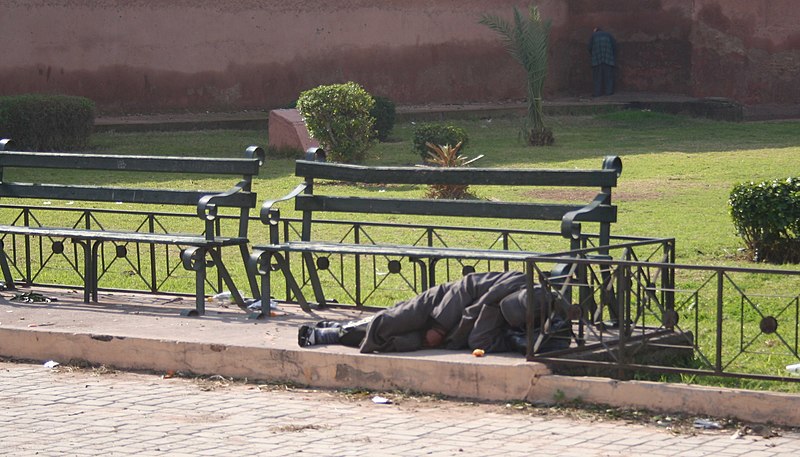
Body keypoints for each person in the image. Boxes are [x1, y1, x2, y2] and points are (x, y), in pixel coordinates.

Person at [297, 271, 571, 355]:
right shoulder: (514, 281)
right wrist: (439, 327)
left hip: (454, 339)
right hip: (441, 305)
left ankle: (335, 333)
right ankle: (338, 329)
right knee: (395, 320)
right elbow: (466, 285)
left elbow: (480, 342)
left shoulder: (527, 332)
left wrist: (491, 309)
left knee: (401, 343)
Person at [588, 27, 617, 97]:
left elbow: (589, 47)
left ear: (596, 31)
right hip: (608, 58)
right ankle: (609, 92)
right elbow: (614, 46)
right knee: (608, 76)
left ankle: (597, 93)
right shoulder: (609, 35)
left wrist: (593, 54)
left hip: (597, 59)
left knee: (597, 77)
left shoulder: (593, 35)